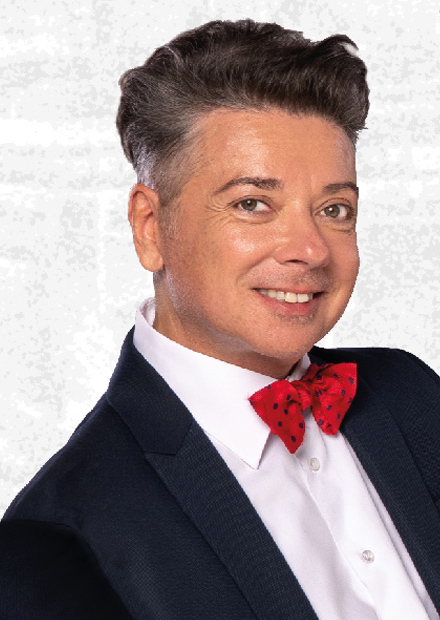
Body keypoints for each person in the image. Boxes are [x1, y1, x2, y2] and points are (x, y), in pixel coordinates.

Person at [1, 18, 440, 620]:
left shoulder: (410, 395)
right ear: (150, 228)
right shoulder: (58, 541)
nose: (311, 249)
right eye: (252, 204)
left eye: (335, 209)